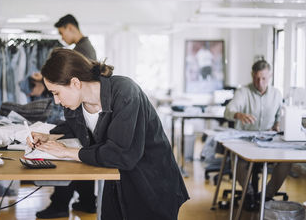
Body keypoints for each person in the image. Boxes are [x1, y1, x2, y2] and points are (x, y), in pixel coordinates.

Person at [28, 48, 189, 220]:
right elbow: (75, 128)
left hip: (151, 183)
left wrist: (67, 152)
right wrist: (49, 137)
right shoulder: (74, 107)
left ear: (75, 83)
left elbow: (122, 154)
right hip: (115, 179)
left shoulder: (125, 92)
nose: (56, 101)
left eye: (56, 93)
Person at [33, 14, 98, 218]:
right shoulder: (83, 49)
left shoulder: (81, 51)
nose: (62, 38)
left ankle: (61, 204)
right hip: (80, 112)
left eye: (62, 32)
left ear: (70, 28)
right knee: (77, 148)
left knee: (70, 153)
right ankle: (86, 201)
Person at [224, 59, 291, 209]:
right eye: (256, 78)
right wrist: (238, 115)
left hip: (268, 140)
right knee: (239, 162)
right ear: (252, 75)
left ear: (270, 76)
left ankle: (266, 196)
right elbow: (228, 111)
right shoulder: (243, 92)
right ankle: (248, 193)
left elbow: (280, 117)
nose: (260, 82)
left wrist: (278, 124)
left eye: (264, 78)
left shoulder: (276, 94)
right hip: (245, 138)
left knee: (286, 162)